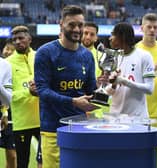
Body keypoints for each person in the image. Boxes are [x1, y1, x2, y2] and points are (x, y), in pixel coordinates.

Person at [34, 5, 98, 168]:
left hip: (80, 127)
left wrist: (108, 85)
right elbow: (42, 90)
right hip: (53, 128)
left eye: (80, 25)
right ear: (61, 24)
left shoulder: (87, 56)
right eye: (72, 24)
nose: (77, 29)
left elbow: (91, 90)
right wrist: (74, 102)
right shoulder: (45, 52)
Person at [102, 22, 155, 117]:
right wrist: (112, 85)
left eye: (113, 34)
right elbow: (111, 92)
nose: (110, 38)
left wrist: (124, 81)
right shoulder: (114, 57)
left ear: (122, 36)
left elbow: (149, 89)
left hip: (137, 119)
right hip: (115, 119)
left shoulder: (144, 56)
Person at [136, 13, 157, 167]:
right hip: (143, 113)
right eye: (149, 27)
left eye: (155, 27)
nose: (152, 30)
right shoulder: (134, 51)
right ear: (142, 28)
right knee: (143, 153)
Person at [6, 25, 40, 168]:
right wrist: (28, 92)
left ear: (29, 39)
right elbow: (6, 95)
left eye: (21, 38)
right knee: (22, 163)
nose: (18, 42)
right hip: (22, 123)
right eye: (15, 39)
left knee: (46, 162)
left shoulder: (40, 56)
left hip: (43, 119)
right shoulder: (7, 64)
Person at [81, 22, 110, 117]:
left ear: (96, 37)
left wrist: (104, 83)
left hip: (95, 108)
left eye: (92, 34)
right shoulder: (70, 54)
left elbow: (107, 85)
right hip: (75, 105)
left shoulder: (103, 57)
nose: (88, 37)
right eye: (85, 33)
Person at [0, 40, 16, 168]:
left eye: (12, 49)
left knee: (12, 154)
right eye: (7, 48)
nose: (8, 51)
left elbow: (6, 95)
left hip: (11, 113)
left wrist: (5, 112)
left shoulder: (5, 66)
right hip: (5, 111)